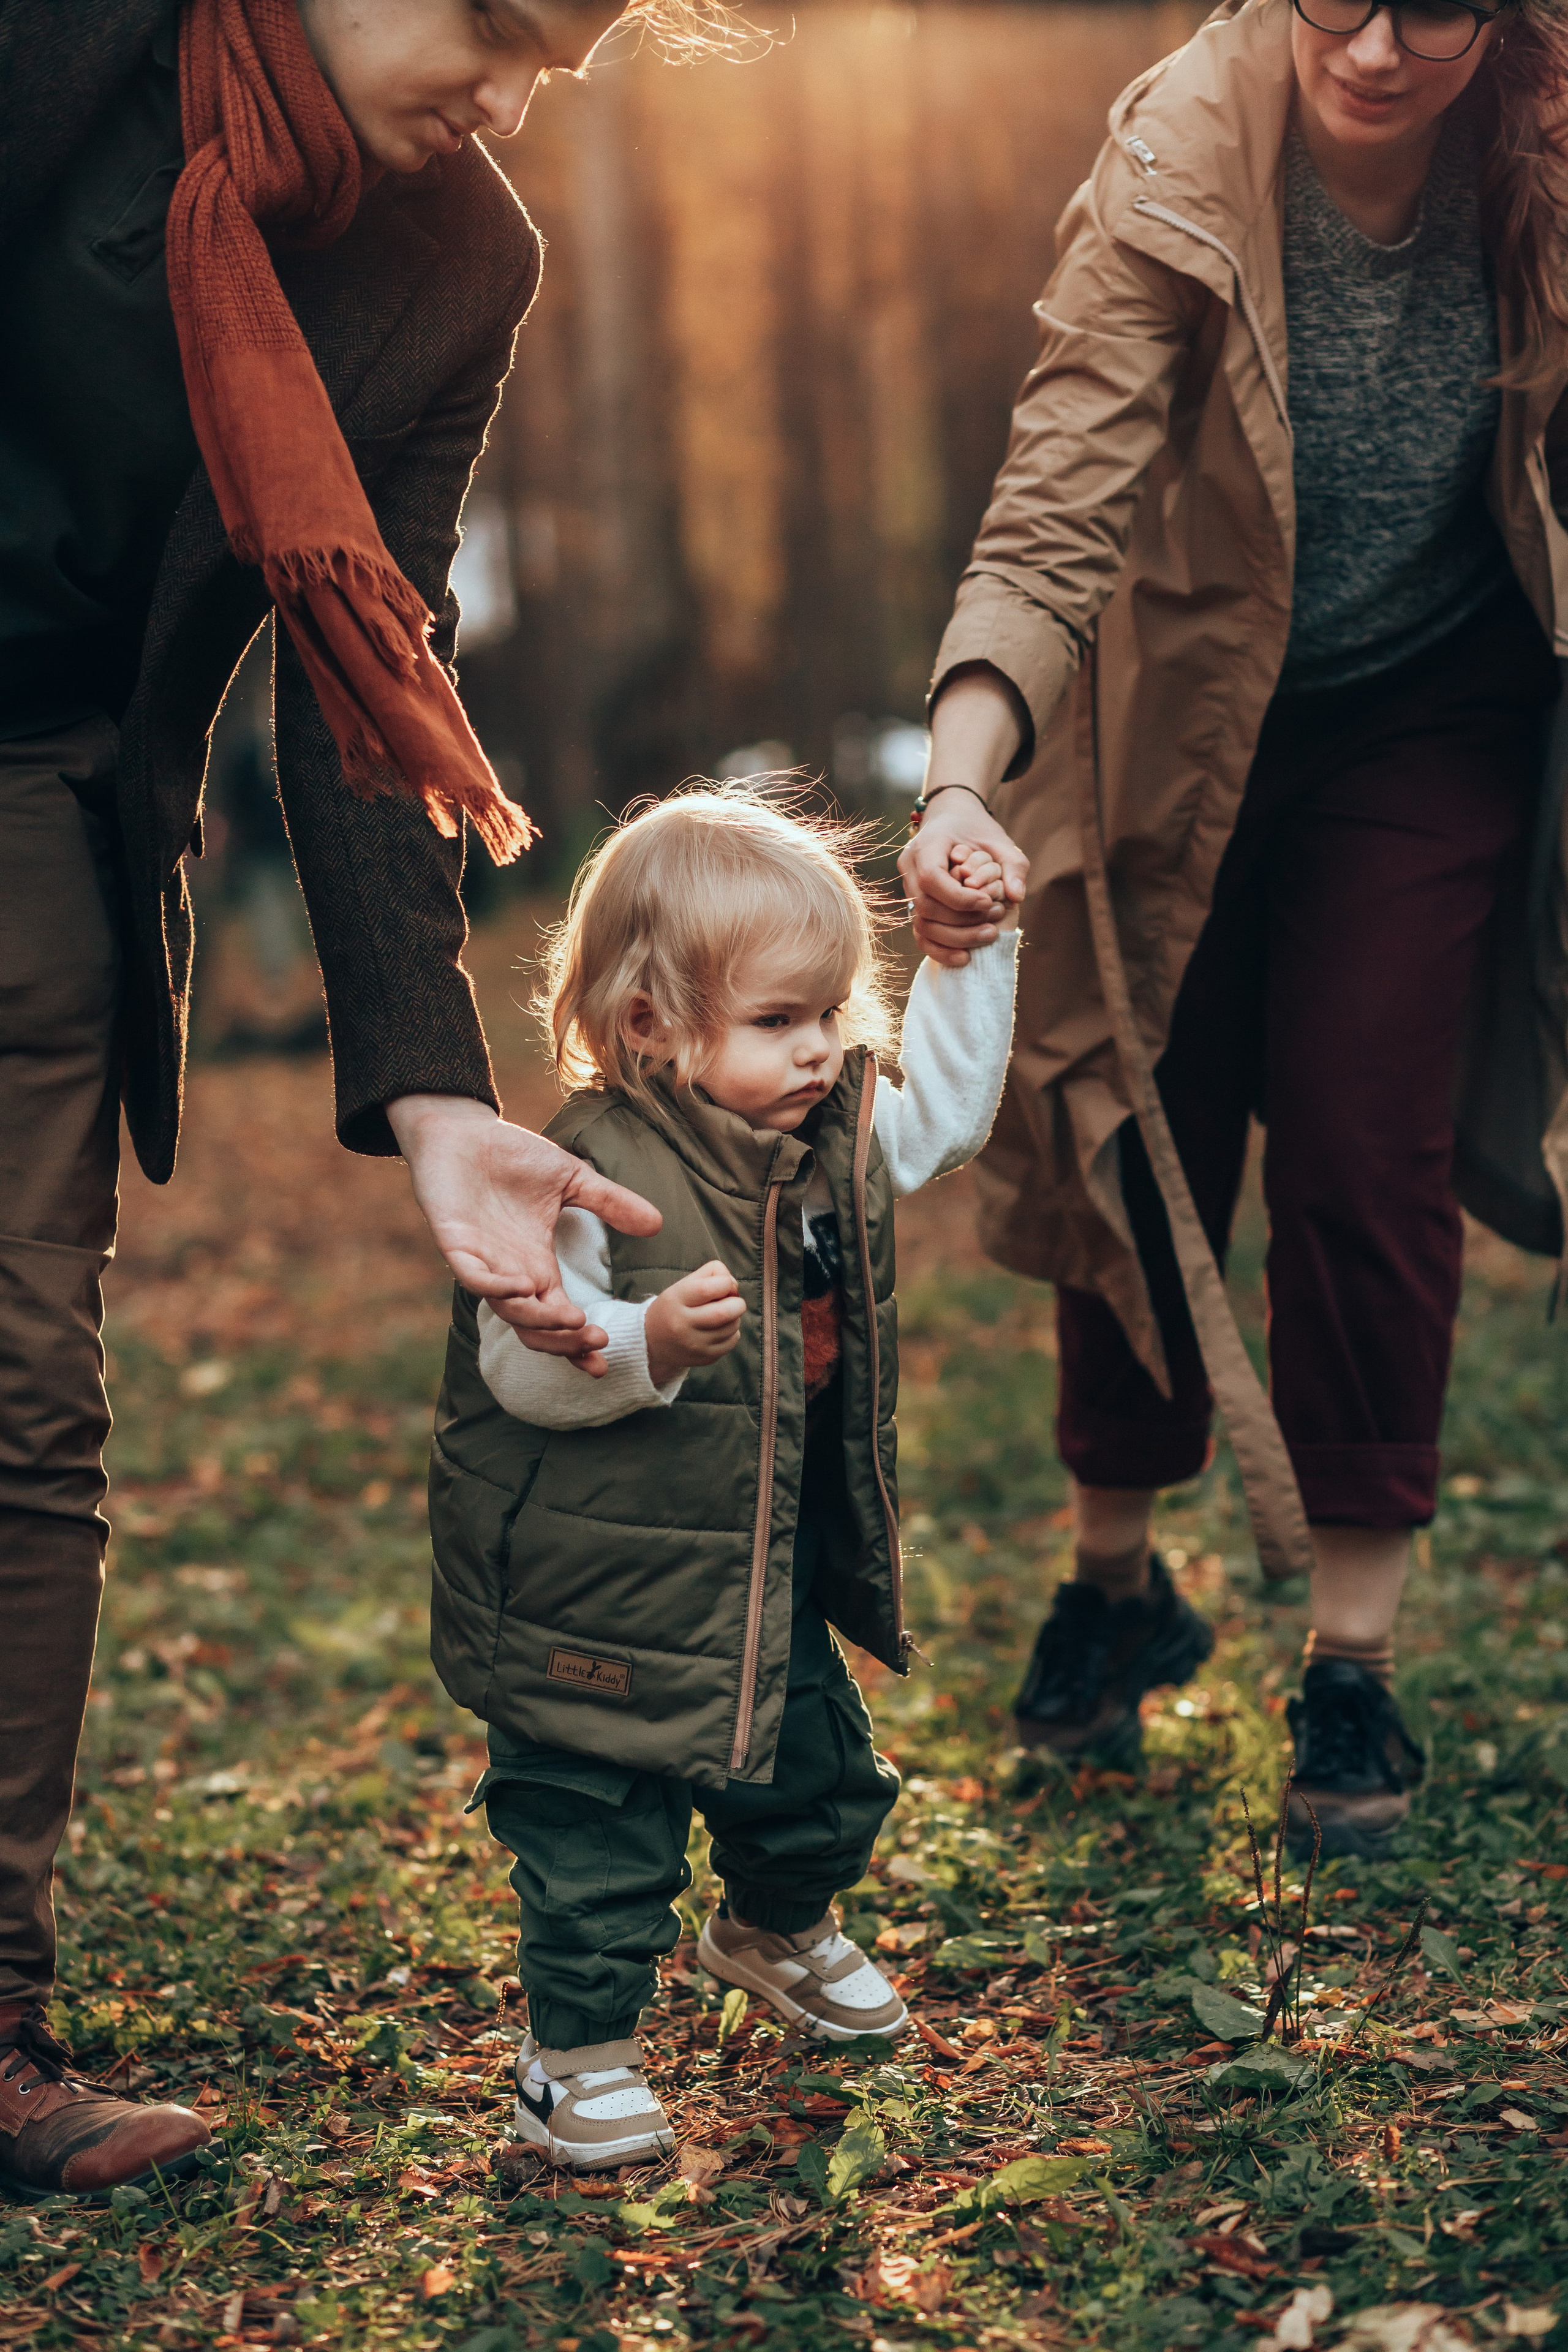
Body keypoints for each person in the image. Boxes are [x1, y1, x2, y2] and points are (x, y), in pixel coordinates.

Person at [0, 0, 706, 2200]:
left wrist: (430, 1090)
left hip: (49, 801)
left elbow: (364, 660)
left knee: (23, 1399)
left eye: (553, 66)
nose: (505, 102)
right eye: (498, 29)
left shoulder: (454, 262)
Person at [899, 0, 1568, 1858]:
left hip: (1434, 704)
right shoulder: (1178, 157)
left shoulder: (1544, 141)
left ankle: (1350, 1655)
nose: (1371, 43)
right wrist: (961, 783)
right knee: (1138, 1122)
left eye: (1432, 3)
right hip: (1176, 707)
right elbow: (1053, 513)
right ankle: (1117, 1578)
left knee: (1366, 1135)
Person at [427, 788, 1019, 2169]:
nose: (820, 1049)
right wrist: (642, 1344)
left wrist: (970, 951)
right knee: (596, 1847)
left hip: (753, 1574)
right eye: (776, 1021)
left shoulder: (816, 1147)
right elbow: (523, 1373)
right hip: (590, 1596)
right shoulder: (581, 1171)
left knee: (818, 1783)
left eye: (831, 1011)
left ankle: (770, 1925)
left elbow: (937, 1112)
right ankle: (571, 2063)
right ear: (648, 1025)